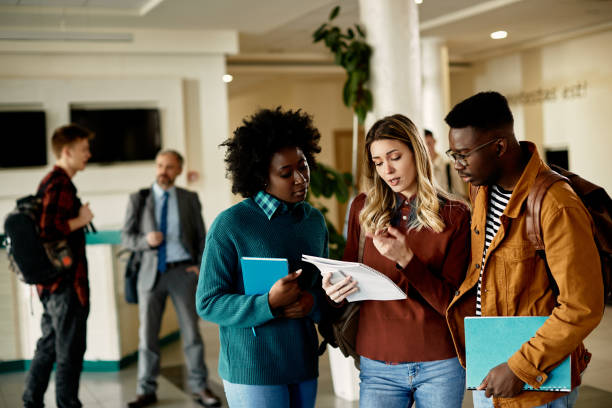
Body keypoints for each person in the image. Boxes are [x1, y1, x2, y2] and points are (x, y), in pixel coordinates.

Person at [444, 91, 604, 408]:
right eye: (454, 154)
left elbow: (582, 307)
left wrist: (518, 367)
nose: (458, 166)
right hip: (490, 369)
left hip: (535, 381)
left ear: (500, 146)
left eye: (464, 155)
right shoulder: (480, 187)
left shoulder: (556, 204)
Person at [323, 114, 471, 408]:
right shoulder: (362, 209)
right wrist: (335, 292)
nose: (387, 169)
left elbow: (452, 304)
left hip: (440, 362)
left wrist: (408, 260)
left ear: (417, 153)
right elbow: (352, 276)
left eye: (395, 157)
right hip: (378, 362)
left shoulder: (456, 215)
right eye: (378, 162)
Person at [196, 107, 329, 408]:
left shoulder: (314, 221)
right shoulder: (231, 224)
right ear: (261, 177)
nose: (300, 179)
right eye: (286, 173)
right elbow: (208, 302)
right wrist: (268, 302)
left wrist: (313, 302)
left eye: (303, 166)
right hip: (251, 369)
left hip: (303, 362)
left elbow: (325, 288)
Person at [122, 150, 220, 408]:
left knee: (191, 334)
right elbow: (126, 237)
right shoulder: (139, 198)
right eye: (160, 165)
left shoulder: (189, 198)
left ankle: (200, 387)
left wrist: (199, 267)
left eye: (169, 167)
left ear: (178, 170)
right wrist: (145, 241)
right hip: (150, 275)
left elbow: (202, 236)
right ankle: (146, 390)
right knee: (148, 337)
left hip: (182, 274)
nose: (163, 171)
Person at [22, 124, 95, 408]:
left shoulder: (50, 182)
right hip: (65, 287)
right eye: (83, 149)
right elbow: (49, 231)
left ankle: (31, 401)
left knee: (49, 346)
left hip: (52, 286)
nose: (88, 154)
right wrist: (82, 219)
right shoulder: (59, 182)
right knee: (69, 353)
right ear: (67, 151)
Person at [424, 128, 467, 199]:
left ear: (434, 141)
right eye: (424, 145)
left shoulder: (449, 165)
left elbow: (461, 195)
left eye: (429, 143)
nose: (427, 148)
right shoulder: (423, 169)